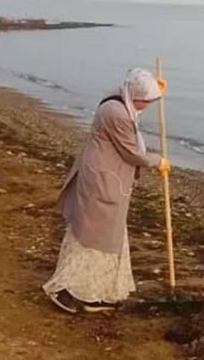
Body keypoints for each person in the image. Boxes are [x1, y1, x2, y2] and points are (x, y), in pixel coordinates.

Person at [44, 68, 170, 313]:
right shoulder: (116, 113)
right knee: (92, 237)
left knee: (107, 235)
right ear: (133, 95)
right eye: (145, 100)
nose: (146, 105)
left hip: (106, 176)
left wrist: (155, 88)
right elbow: (131, 152)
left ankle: (98, 292)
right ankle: (68, 290)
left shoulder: (120, 98)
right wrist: (158, 161)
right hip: (102, 180)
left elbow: (133, 117)